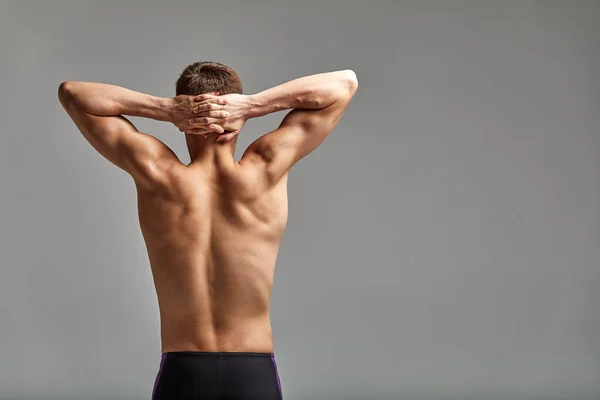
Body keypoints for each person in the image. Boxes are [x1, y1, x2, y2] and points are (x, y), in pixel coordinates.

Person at [58, 61, 358, 400]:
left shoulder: (157, 173)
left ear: (184, 122)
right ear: (238, 117)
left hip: (183, 372)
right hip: (253, 372)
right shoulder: (267, 167)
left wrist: (164, 110)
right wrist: (253, 105)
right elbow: (344, 84)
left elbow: (72, 94)